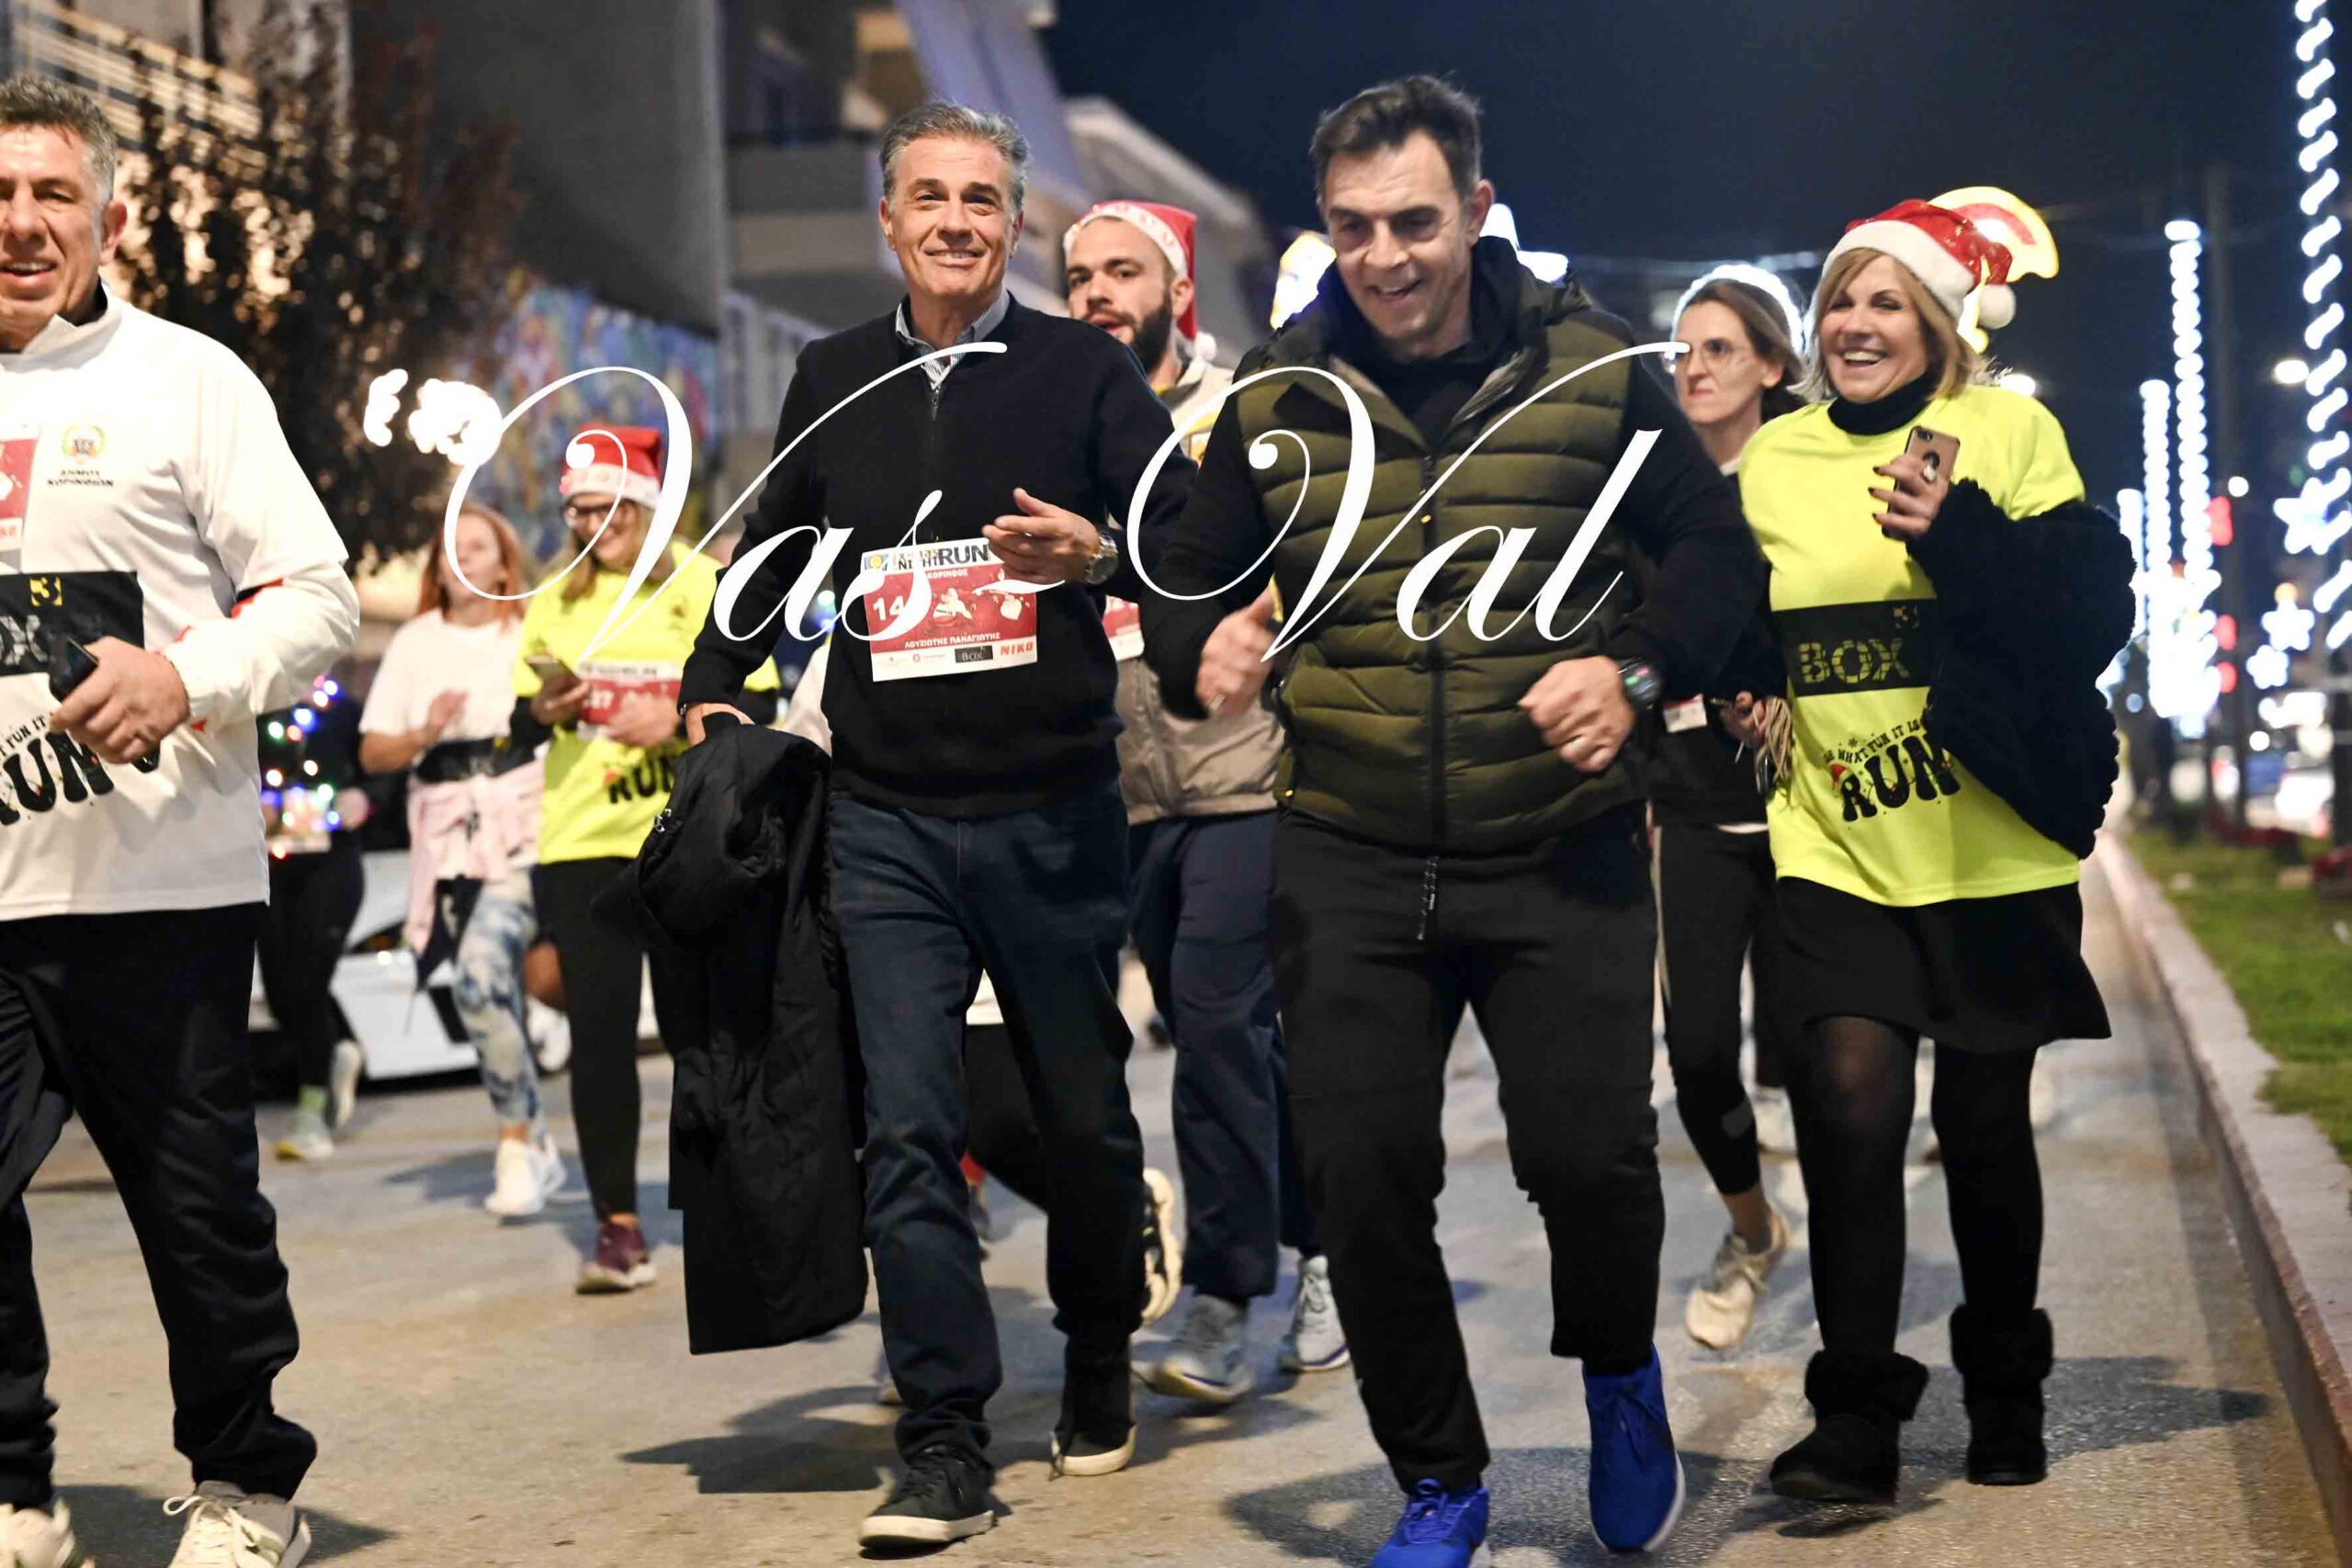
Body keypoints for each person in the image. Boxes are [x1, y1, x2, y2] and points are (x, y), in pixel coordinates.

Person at [1142, 77, 1767, 1563]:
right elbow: (1183, 576)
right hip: (1349, 849)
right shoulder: (1280, 394)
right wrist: (1199, 641)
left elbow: (1716, 555)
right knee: (1359, 1178)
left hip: (1561, 842)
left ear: (1476, 210)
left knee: (1588, 1160)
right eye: (1352, 226)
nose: (1385, 255)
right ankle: (1439, 1476)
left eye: (1414, 221)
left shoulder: (1595, 372)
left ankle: (1620, 1380)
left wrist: (1634, 669)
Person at [679, 102, 1191, 1552]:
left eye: (982, 198)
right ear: (887, 219)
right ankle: (944, 1440)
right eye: (929, 195)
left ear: (1014, 224)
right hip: (887, 816)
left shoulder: (1085, 371)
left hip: (1053, 810)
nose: (957, 219)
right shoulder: (832, 373)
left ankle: (1099, 1342)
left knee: (1083, 1120)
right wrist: (715, 678)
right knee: (908, 1126)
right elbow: (774, 549)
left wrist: (1099, 554)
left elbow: (1191, 540)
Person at [0, 75, 354, 1568]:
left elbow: (319, 599)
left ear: (111, 217)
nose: (23, 223)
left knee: (199, 1213)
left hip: (157, 887)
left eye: (53, 194)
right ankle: (16, 1490)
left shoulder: (189, 380)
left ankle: (245, 1477)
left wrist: (186, 675)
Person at [1725, 200, 2130, 1503]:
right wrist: (1743, 681)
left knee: (1982, 1122)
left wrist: (1957, 530)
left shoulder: (2005, 430)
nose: (1855, 323)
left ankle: (2005, 1388)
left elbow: (2083, 617)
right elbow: (1747, 613)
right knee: (1848, 1114)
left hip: (1989, 850)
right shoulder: (1775, 457)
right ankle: (1855, 1419)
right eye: (1841, 299)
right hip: (1834, 841)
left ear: (1942, 323)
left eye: (1887, 301)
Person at [1064, 197, 1344, 1399]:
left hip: (1240, 767)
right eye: (1079, 275)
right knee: (1221, 1035)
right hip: (1111, 783)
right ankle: (1326, 1237)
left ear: (1177, 291)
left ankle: (1226, 1296)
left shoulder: (1242, 409)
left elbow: (1315, 553)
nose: (1096, 294)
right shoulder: (1057, 421)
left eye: (1122, 272)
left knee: (1221, 1021)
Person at [513, 424, 777, 1293]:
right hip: (584, 841)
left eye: (613, 509)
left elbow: (762, 700)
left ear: (650, 508)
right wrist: (547, 708)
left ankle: (725, 1215)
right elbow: (518, 721)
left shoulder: (702, 583)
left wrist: (674, 716)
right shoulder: (555, 597)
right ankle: (617, 1227)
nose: (596, 526)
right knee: (598, 1037)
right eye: (580, 512)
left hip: (686, 837)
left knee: (702, 1032)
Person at [1655, 268, 1810, 1350]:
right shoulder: (1654, 491)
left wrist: (1793, 701)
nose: (1694, 368)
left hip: (1809, 812)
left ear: (1769, 365)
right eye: (1682, 350)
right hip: (1692, 808)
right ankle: (1753, 1229)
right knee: (1699, 1053)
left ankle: (1853, 1266)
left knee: (1815, 1052)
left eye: (1718, 349)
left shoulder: (1806, 478)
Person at [360, 502, 566, 1217]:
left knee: (479, 977)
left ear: (505, 564)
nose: (462, 558)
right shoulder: (414, 642)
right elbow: (374, 751)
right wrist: (425, 730)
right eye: (451, 549)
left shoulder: (531, 628)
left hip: (526, 825)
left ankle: (516, 1142)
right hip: (446, 838)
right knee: (488, 993)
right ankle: (533, 1136)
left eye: (477, 546)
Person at [258, 669, 370, 1162]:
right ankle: (339, 1048)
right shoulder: (257, 712)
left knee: (307, 982)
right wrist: (252, 804)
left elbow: (384, 774)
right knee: (281, 993)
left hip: (333, 865)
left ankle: (312, 1114)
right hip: (271, 868)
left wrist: (365, 797)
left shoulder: (346, 713)